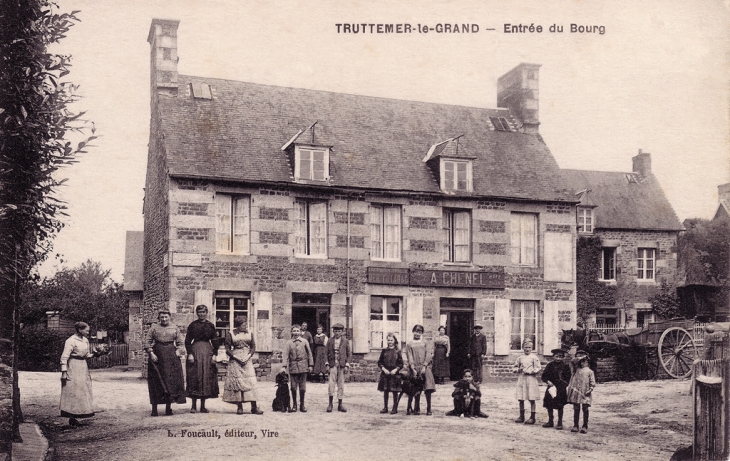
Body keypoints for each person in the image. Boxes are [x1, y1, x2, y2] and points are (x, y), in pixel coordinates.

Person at [59, 321, 109, 426]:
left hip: (83, 366)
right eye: (86, 330)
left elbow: (86, 355)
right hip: (72, 366)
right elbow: (64, 357)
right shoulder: (71, 341)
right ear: (79, 330)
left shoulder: (85, 340)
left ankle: (79, 414)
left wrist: (96, 354)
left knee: (83, 390)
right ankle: (71, 416)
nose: (88, 332)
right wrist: (64, 372)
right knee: (73, 390)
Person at [145, 310, 186, 416]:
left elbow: (180, 342)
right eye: (162, 317)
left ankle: (168, 408)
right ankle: (154, 409)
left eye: (166, 317)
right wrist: (151, 353)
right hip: (157, 356)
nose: (164, 319)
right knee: (156, 382)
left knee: (170, 382)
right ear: (159, 318)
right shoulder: (154, 328)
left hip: (171, 357)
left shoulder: (175, 328)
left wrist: (178, 351)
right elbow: (147, 341)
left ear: (169, 317)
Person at [222, 316, 263, 415]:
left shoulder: (250, 333)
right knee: (238, 382)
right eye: (244, 324)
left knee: (250, 381)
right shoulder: (231, 334)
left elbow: (253, 346)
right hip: (235, 359)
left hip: (247, 359)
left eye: (246, 324)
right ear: (238, 325)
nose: (246, 326)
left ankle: (254, 407)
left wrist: (249, 356)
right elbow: (227, 348)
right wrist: (235, 357)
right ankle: (239, 407)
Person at [184, 304, 219, 414]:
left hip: (207, 352)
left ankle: (203, 406)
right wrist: (190, 354)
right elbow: (187, 341)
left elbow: (215, 341)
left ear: (206, 313)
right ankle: (193, 406)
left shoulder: (210, 326)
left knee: (206, 378)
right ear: (197, 313)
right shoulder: (193, 325)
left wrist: (214, 354)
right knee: (195, 377)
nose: (201, 314)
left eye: (203, 312)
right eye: (199, 312)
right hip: (195, 351)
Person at [403, 324, 436, 416]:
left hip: (425, 368)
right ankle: (417, 408)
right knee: (416, 388)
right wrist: (412, 368)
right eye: (416, 331)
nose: (417, 334)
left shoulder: (425, 343)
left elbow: (428, 354)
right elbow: (409, 356)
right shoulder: (409, 344)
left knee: (428, 388)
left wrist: (425, 366)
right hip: (414, 368)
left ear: (422, 333)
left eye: (419, 332)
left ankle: (429, 408)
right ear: (413, 331)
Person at [282, 324, 314, 412]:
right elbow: (285, 355)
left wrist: (311, 365)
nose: (296, 333)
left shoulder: (304, 341)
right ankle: (294, 405)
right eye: (294, 331)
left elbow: (309, 354)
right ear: (291, 332)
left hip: (303, 366)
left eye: (297, 331)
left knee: (302, 387)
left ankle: (302, 405)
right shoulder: (289, 343)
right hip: (293, 367)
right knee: (293, 387)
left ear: (300, 332)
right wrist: (284, 366)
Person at [541, 348, 571, 429]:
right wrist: (548, 381)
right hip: (551, 387)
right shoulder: (550, 365)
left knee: (560, 405)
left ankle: (560, 422)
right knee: (549, 404)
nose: (558, 358)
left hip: (561, 387)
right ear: (553, 356)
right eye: (557, 356)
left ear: (563, 357)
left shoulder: (565, 366)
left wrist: (564, 384)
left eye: (560, 357)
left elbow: (568, 377)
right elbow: (544, 376)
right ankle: (550, 421)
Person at [513, 339, 541, 425]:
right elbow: (514, 368)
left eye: (529, 347)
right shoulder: (520, 358)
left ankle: (532, 417)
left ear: (532, 348)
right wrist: (518, 369)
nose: (527, 349)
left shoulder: (534, 357)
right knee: (521, 398)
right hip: (522, 379)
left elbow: (538, 368)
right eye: (525, 347)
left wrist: (532, 371)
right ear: (522, 348)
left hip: (531, 379)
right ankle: (521, 416)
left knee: (531, 398)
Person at [567, 351, 596, 434]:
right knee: (576, 408)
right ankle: (575, 425)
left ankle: (585, 426)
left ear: (588, 362)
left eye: (585, 361)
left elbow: (592, 383)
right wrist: (579, 358)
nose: (583, 363)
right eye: (581, 361)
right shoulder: (575, 370)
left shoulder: (590, 371)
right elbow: (572, 362)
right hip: (576, 392)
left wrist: (590, 389)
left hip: (585, 392)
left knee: (585, 408)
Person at [325, 323, 351, 412]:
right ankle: (330, 404)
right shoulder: (329, 341)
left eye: (339, 331)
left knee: (341, 384)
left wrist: (347, 365)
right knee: (331, 384)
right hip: (332, 364)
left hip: (342, 365)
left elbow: (349, 354)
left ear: (342, 332)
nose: (337, 333)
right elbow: (325, 353)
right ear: (333, 331)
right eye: (335, 331)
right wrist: (327, 364)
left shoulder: (345, 341)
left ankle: (340, 404)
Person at [377, 333, 403, 414]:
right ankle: (385, 407)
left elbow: (401, 364)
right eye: (388, 340)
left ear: (394, 341)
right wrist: (384, 369)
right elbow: (379, 362)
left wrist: (396, 370)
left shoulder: (398, 351)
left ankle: (395, 408)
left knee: (395, 392)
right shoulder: (384, 350)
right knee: (386, 391)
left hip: (394, 374)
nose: (390, 342)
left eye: (391, 340)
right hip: (386, 374)